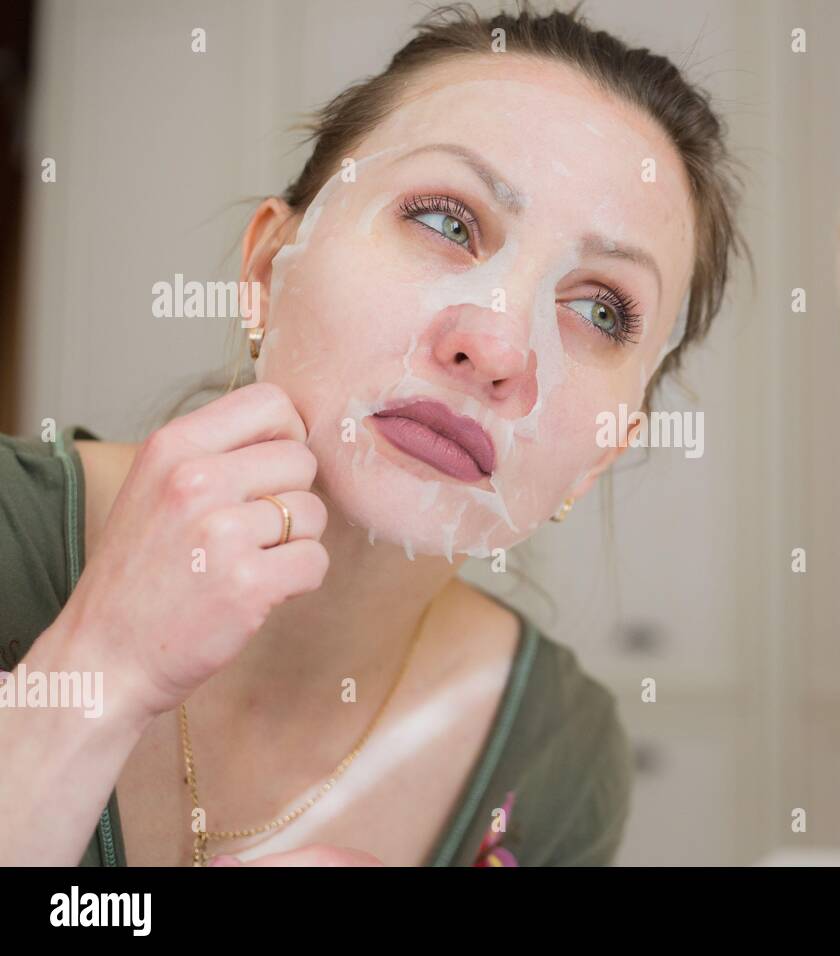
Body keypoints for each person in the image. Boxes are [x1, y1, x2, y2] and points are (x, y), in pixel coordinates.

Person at [0, 1, 748, 867]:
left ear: (605, 449)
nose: (498, 347)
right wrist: (98, 670)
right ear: (266, 271)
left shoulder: (559, 763)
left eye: (598, 308)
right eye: (445, 221)